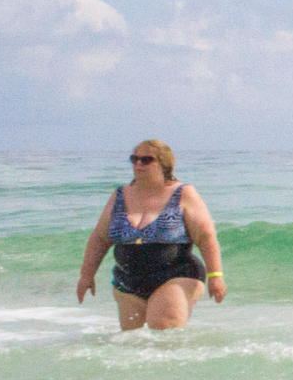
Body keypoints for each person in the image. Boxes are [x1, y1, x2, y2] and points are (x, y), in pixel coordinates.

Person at [75, 139, 225, 332]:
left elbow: (206, 237)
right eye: (134, 159)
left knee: (163, 332)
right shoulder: (120, 195)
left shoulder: (183, 194)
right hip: (128, 280)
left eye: (146, 160)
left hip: (176, 275)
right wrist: (86, 276)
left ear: (164, 164)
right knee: (132, 342)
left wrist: (216, 276)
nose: (138, 164)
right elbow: (100, 239)